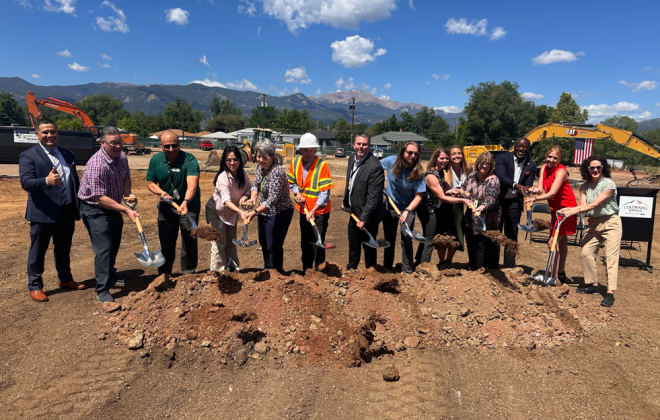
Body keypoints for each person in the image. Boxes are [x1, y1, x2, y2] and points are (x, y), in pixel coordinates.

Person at [19, 119, 86, 302]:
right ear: (37, 135)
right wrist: (46, 182)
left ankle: (65, 279)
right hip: (43, 212)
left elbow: (74, 181)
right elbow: (26, 183)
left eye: (53, 132)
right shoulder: (28, 155)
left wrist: (77, 208)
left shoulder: (67, 154)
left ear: (57, 133)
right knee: (38, 251)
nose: (50, 135)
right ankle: (35, 286)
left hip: (65, 210)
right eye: (45, 132)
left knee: (63, 248)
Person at [78, 127, 139, 303]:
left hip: (113, 206)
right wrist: (126, 209)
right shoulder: (96, 164)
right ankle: (102, 289)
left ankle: (111, 274)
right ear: (102, 143)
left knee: (114, 243)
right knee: (103, 248)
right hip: (95, 208)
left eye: (120, 142)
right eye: (113, 143)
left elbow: (126, 177)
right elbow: (100, 198)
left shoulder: (122, 157)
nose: (118, 146)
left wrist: (127, 194)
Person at [558, 156, 621, 307]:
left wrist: (572, 211)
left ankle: (610, 293)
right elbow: (584, 207)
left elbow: (594, 204)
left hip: (610, 222)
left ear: (603, 167)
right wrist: (570, 209)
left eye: (598, 167)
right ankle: (593, 284)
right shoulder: (584, 187)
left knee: (610, 258)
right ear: (587, 169)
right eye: (591, 168)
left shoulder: (609, 184)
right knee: (586, 253)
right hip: (593, 224)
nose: (595, 170)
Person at [146, 131, 201, 277]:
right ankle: (164, 274)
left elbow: (192, 185)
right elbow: (150, 182)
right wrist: (160, 193)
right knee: (166, 242)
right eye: (167, 146)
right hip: (166, 207)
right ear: (161, 146)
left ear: (179, 144)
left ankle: (188, 274)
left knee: (189, 240)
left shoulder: (189, 159)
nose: (171, 149)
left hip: (189, 207)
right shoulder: (155, 160)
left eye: (174, 146)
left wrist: (185, 202)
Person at [526, 145, 577, 283]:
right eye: (549, 156)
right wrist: (534, 190)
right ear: (546, 155)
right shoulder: (543, 168)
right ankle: (560, 274)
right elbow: (542, 189)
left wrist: (535, 199)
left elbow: (553, 193)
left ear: (559, 159)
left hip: (567, 209)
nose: (551, 160)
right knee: (562, 242)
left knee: (552, 242)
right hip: (555, 210)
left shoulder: (561, 171)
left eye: (555, 158)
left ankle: (553, 278)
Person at [417, 147, 473, 267]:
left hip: (435, 209)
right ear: (436, 158)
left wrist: (455, 191)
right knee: (430, 240)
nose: (445, 160)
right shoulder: (431, 175)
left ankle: (419, 263)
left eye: (446, 158)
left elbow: (444, 191)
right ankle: (424, 267)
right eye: (442, 158)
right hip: (428, 210)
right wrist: (463, 200)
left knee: (428, 237)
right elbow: (441, 197)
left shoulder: (441, 172)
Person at [244, 140, 294, 273]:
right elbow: (255, 184)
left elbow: (272, 200)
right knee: (265, 244)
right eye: (258, 156)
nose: (260, 160)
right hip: (264, 211)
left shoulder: (277, 172)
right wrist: (253, 198)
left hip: (279, 213)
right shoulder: (260, 167)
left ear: (272, 156)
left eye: (264, 157)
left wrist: (254, 212)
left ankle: (276, 274)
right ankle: (267, 271)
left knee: (274, 245)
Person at [288, 133, 334, 271]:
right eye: (306, 150)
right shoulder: (295, 163)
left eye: (311, 150)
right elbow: (292, 182)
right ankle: (306, 271)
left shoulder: (322, 166)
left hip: (319, 212)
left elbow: (325, 193)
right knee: (305, 243)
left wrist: (314, 210)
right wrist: (297, 194)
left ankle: (319, 273)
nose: (308, 153)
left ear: (315, 150)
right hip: (304, 210)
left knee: (318, 243)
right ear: (300, 150)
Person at [381, 141, 426, 274]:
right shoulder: (390, 162)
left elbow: (418, 196)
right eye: (409, 152)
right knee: (389, 239)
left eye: (416, 154)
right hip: (389, 207)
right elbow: (374, 168)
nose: (412, 156)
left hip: (408, 209)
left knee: (406, 239)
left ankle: (407, 271)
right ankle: (387, 268)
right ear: (403, 152)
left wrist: (407, 211)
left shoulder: (418, 172)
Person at [205, 145, 252, 272]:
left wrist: (245, 197)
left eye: (235, 159)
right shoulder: (222, 177)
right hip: (216, 212)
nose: (232, 162)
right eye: (228, 160)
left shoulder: (243, 174)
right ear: (224, 161)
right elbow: (226, 201)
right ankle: (218, 272)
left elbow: (249, 189)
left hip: (231, 213)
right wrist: (240, 211)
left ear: (240, 160)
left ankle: (233, 268)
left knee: (231, 241)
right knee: (219, 242)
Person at [342, 133, 385, 270]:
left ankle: (371, 274)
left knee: (369, 247)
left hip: (369, 217)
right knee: (353, 244)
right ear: (353, 145)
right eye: (359, 144)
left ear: (369, 146)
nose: (361, 147)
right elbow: (350, 182)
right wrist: (346, 201)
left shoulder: (374, 166)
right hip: (354, 212)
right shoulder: (352, 158)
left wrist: (363, 219)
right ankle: (351, 270)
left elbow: (374, 197)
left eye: (364, 144)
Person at [495, 137, 537, 268]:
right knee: (496, 233)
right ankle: (491, 264)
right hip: (498, 202)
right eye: (519, 146)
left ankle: (509, 266)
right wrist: (516, 185)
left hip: (514, 203)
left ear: (528, 149)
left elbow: (528, 184)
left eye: (524, 147)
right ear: (514, 146)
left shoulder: (531, 164)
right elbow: (501, 176)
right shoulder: (502, 158)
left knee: (511, 234)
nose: (521, 149)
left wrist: (529, 189)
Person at [458, 152, 501, 270]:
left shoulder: (493, 180)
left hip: (487, 218)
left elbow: (491, 199)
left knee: (482, 244)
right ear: (478, 163)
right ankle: (473, 266)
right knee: (471, 243)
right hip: (471, 216)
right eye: (482, 162)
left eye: (488, 163)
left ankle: (481, 268)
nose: (484, 165)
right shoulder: (472, 176)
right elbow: (463, 189)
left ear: (491, 165)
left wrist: (481, 208)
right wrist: (462, 193)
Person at [443, 146, 472, 266]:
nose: (456, 156)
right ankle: (442, 261)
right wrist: (463, 193)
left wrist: (464, 193)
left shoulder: (467, 168)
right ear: (449, 157)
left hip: (460, 205)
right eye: (453, 154)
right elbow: (448, 191)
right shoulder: (446, 171)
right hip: (447, 205)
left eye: (459, 153)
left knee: (458, 233)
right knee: (446, 234)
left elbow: (471, 186)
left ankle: (449, 260)